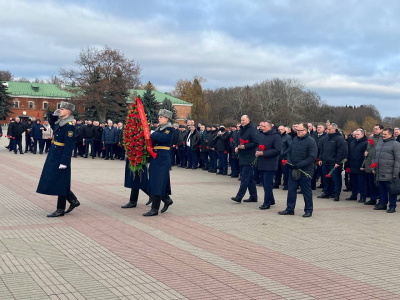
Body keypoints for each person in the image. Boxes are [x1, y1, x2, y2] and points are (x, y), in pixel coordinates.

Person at [36, 101, 80, 217]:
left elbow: (69, 145)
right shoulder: (61, 122)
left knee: (60, 181)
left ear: (68, 111)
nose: (60, 110)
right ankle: (73, 200)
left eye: (62, 109)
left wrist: (65, 161)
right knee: (52, 178)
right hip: (54, 153)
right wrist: (53, 114)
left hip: (61, 155)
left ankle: (60, 209)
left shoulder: (69, 125)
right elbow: (52, 124)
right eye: (60, 109)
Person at [278, 123, 318, 217]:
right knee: (291, 190)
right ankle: (290, 209)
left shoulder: (311, 141)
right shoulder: (295, 139)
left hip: (305, 170)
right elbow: (289, 151)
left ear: (305, 130)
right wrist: (289, 161)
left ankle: (308, 210)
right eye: (296, 130)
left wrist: (299, 165)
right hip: (293, 169)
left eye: (299, 131)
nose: (297, 132)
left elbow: (312, 157)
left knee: (306, 191)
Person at [143, 109, 174, 217]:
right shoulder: (159, 128)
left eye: (161, 117)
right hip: (156, 157)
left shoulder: (169, 129)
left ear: (166, 119)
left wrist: (151, 133)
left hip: (163, 158)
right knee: (156, 180)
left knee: (158, 181)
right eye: (159, 117)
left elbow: (162, 138)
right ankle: (166, 199)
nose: (159, 118)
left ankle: (155, 209)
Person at [231, 115, 259, 203]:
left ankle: (239, 196)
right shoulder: (242, 129)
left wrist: (245, 146)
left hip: (249, 156)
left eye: (244, 120)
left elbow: (255, 142)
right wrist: (237, 147)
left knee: (244, 177)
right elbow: (239, 140)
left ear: (248, 120)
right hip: (242, 155)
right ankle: (253, 196)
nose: (242, 122)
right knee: (250, 178)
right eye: (241, 120)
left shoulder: (252, 129)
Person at [317, 123, 348, 201]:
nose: (327, 130)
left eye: (329, 129)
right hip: (325, 162)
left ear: (334, 129)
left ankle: (336, 194)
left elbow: (341, 151)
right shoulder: (325, 138)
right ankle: (326, 192)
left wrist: (338, 162)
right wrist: (320, 159)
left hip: (334, 163)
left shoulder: (339, 138)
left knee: (336, 179)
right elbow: (322, 149)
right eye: (327, 129)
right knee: (325, 179)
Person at [372, 128, 400, 213]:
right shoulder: (380, 143)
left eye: (385, 134)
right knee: (382, 189)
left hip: (390, 172)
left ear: (390, 134)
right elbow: (374, 156)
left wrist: (395, 172)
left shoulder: (396, 144)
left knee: (391, 190)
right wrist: (373, 167)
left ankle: (392, 206)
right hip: (380, 171)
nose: (383, 135)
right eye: (383, 134)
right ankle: (382, 204)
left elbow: (398, 159)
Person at [256, 121, 281, 209]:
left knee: (267, 184)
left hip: (270, 163)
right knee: (264, 182)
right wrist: (257, 151)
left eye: (264, 126)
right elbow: (258, 145)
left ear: (270, 127)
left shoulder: (276, 136)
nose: (262, 128)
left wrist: (263, 153)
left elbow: (277, 150)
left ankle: (267, 203)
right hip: (262, 162)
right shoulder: (262, 135)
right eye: (261, 126)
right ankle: (271, 199)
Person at [363, 124, 383, 205]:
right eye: (374, 128)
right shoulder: (371, 138)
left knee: (378, 184)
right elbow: (368, 149)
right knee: (371, 183)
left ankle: (381, 200)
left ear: (381, 130)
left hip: (378, 163)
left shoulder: (382, 139)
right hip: (370, 162)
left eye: (376, 129)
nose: (374, 130)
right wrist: (366, 153)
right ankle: (372, 198)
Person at [346, 129, 368, 202]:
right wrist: (348, 165)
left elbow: (366, 156)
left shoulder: (365, 143)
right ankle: (354, 195)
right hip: (353, 165)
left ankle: (363, 196)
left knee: (361, 182)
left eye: (358, 134)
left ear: (362, 134)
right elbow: (349, 154)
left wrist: (363, 165)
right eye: (355, 134)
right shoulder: (353, 142)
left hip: (360, 166)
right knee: (353, 182)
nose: (356, 136)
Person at [274, 125, 292, 190]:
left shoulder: (288, 137)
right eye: (278, 129)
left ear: (284, 130)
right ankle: (276, 183)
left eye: (281, 129)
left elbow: (290, 147)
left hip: (284, 157)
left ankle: (286, 184)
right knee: (277, 171)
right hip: (277, 156)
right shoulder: (277, 137)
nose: (279, 130)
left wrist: (284, 153)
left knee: (285, 172)